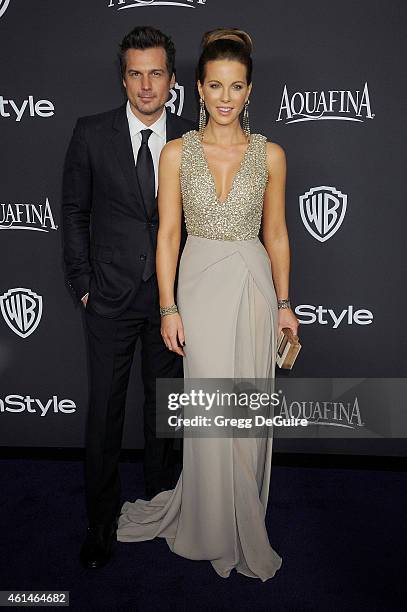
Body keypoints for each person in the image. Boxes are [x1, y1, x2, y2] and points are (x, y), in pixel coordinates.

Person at [116, 28, 299, 581]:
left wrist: (286, 304)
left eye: (236, 86)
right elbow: (168, 237)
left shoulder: (271, 154)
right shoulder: (175, 153)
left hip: (253, 286)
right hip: (198, 287)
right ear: (196, 88)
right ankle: (206, 519)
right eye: (215, 85)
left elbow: (278, 235)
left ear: (249, 91)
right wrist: (168, 308)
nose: (225, 97)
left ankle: (244, 520)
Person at [62, 25, 194, 569]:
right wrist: (83, 286)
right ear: (123, 79)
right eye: (136, 74)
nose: (146, 85)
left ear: (172, 79)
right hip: (110, 299)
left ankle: (162, 508)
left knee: (165, 410)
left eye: (156, 73)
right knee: (105, 414)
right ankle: (101, 521)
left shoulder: (193, 139)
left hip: (171, 302)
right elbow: (73, 212)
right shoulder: (91, 133)